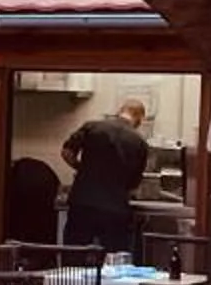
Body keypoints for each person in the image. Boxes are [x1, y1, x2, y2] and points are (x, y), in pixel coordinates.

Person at [60, 99, 151, 253]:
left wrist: (82, 169)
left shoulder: (92, 126)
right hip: (115, 209)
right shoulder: (140, 142)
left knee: (74, 255)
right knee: (113, 259)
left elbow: (66, 152)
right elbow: (134, 183)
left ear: (119, 111)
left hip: (83, 203)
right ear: (139, 118)